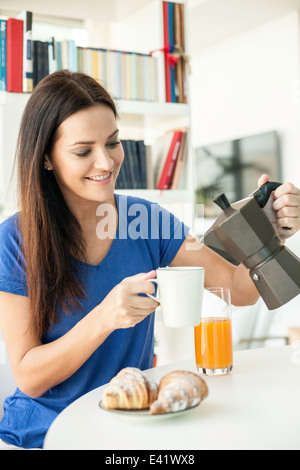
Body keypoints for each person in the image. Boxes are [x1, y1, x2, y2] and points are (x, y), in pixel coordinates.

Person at [0, 70, 300, 450]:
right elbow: (29, 376)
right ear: (46, 158)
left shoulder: (148, 220)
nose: (106, 162)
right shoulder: (14, 241)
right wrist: (105, 317)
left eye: (113, 142)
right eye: (83, 151)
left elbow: (237, 290)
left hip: (127, 430)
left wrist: (268, 231)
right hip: (40, 435)